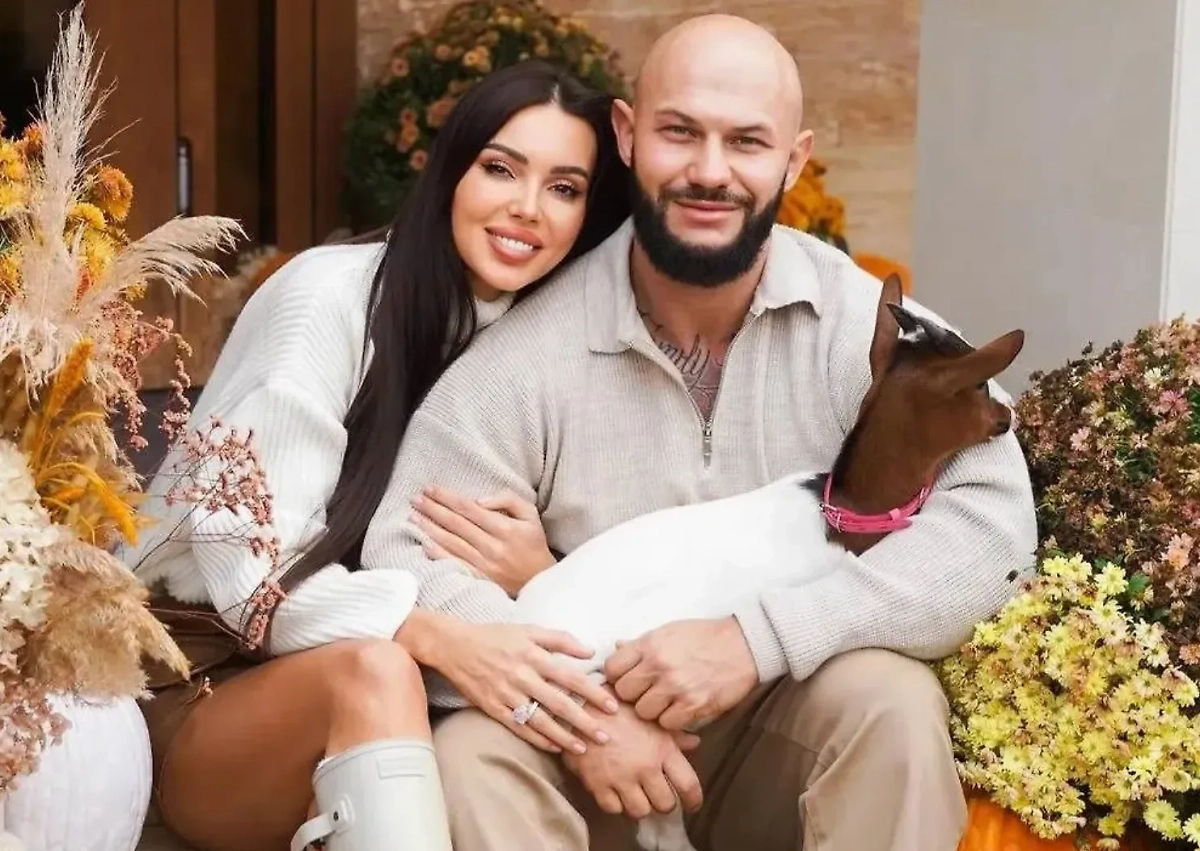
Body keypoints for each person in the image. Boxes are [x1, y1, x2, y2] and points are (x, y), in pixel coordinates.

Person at [360, 14, 1038, 851]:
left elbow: (994, 529)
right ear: (627, 135)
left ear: (794, 159)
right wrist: (584, 712)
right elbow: (404, 558)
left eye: (746, 141)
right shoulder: (524, 359)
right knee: (469, 757)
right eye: (680, 132)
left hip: (780, 733)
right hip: (594, 764)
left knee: (890, 701)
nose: (710, 172)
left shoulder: (862, 328)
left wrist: (759, 641)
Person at [124, 61, 633, 851]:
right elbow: (248, 570)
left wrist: (538, 571)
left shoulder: (545, 346)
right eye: (500, 169)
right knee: (378, 670)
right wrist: (434, 633)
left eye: (564, 188)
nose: (527, 207)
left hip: (399, 697)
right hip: (201, 681)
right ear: (449, 171)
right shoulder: (327, 299)